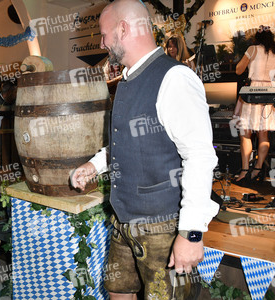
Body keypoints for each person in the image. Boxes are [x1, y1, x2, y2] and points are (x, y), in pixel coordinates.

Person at [71, 1, 219, 299]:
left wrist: (191, 233)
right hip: (124, 219)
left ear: (123, 29)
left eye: (103, 34)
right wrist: (95, 165)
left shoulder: (174, 77)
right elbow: (127, 141)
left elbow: (200, 156)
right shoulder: (128, 78)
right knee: (117, 291)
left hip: (162, 226)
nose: (101, 43)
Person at [233, 26, 275, 184]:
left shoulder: (252, 49)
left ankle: (244, 170)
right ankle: (258, 168)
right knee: (264, 135)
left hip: (253, 93)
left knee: (245, 134)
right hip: (270, 95)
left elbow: (238, 70)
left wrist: (247, 62)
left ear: (257, 38)